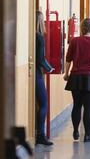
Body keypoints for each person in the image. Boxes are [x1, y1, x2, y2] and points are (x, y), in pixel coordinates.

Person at [35, 11, 54, 146]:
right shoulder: (40, 37)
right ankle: (40, 135)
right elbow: (41, 59)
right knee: (44, 104)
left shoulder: (30, 36)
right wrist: (50, 68)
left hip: (34, 73)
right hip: (37, 74)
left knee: (40, 104)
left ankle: (38, 133)